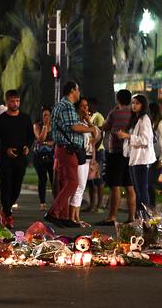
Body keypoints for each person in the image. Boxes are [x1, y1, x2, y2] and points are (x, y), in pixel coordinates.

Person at [45, 81, 97, 228]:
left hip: (63, 149)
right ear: (72, 90)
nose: (79, 93)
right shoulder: (67, 106)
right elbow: (73, 126)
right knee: (73, 182)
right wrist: (90, 129)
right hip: (68, 149)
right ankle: (54, 213)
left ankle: (64, 216)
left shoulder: (61, 105)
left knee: (64, 183)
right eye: (78, 90)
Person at [0, 90, 34, 228]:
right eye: (12, 101)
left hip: (20, 159)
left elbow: (30, 136)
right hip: (5, 159)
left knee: (16, 187)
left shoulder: (25, 118)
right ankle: (8, 214)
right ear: (7, 102)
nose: (15, 104)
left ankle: (5, 209)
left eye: (17, 101)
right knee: (5, 185)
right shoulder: (0, 121)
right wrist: (5, 149)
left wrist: (27, 146)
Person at [96, 89, 136, 225]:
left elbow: (104, 127)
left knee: (115, 185)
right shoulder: (133, 113)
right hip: (130, 153)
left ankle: (112, 217)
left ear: (118, 99)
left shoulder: (114, 113)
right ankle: (132, 217)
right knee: (129, 186)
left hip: (116, 153)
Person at [116, 94, 155, 213]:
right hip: (134, 159)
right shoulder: (136, 119)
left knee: (142, 190)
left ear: (143, 105)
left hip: (142, 160)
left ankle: (144, 218)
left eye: (137, 103)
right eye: (133, 103)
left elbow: (144, 140)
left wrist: (127, 136)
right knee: (138, 191)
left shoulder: (145, 120)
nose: (134, 105)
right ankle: (140, 218)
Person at [69, 98, 100, 227]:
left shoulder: (87, 123)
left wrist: (88, 121)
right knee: (78, 187)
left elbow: (96, 136)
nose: (85, 108)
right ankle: (72, 217)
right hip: (79, 157)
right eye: (82, 106)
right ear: (77, 108)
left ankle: (76, 217)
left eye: (86, 106)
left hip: (87, 157)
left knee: (81, 187)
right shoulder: (76, 122)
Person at [86, 98, 106, 212]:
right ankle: (91, 204)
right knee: (90, 180)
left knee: (98, 179)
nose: (88, 107)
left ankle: (99, 205)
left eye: (89, 105)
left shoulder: (98, 117)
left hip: (98, 151)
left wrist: (95, 148)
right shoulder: (88, 117)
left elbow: (101, 134)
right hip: (90, 151)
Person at [33, 106, 54, 211]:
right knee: (42, 179)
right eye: (44, 115)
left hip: (52, 157)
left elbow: (56, 142)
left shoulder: (55, 126)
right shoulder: (37, 125)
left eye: (48, 115)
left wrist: (51, 143)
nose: (46, 117)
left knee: (53, 179)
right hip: (39, 157)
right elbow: (40, 139)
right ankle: (42, 202)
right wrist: (45, 126)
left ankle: (56, 202)